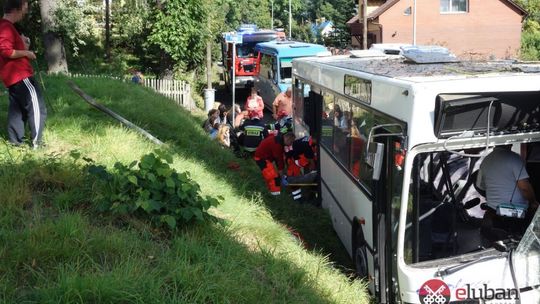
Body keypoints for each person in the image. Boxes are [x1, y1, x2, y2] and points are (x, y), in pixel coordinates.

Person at [0, 0, 46, 149]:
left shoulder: (7, 27)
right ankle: (37, 144)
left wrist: (24, 46)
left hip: (12, 77)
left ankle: (15, 144)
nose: (26, 11)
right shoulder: (5, 27)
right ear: (16, 8)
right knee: (37, 107)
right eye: (25, 7)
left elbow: (10, 50)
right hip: (20, 76)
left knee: (17, 110)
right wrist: (27, 52)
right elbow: (6, 51)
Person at [477, 145, 539, 242]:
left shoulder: (486, 160)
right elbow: (524, 187)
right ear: (510, 144)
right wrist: (533, 202)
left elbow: (480, 186)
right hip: (516, 214)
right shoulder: (515, 159)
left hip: (493, 212)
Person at [285, 135, 318, 201]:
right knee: (294, 178)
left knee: (302, 176)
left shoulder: (309, 139)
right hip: (293, 159)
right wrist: (314, 171)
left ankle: (305, 191)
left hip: (296, 156)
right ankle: (294, 196)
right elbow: (311, 162)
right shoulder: (307, 145)